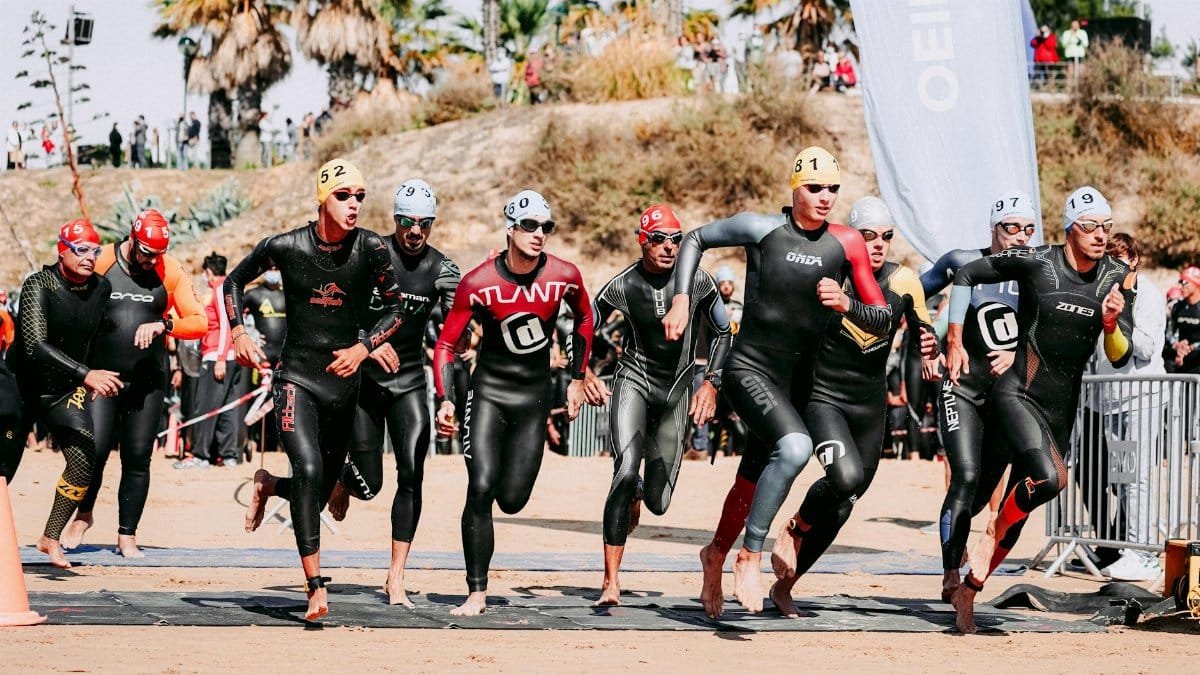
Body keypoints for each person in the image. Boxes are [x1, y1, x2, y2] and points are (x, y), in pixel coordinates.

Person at [661, 147, 894, 617]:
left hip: (803, 384)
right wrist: (682, 299)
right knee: (792, 449)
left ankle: (714, 556)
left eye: (833, 188)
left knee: (753, 478)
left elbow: (883, 320)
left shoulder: (847, 243)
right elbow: (694, 239)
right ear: (795, 187)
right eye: (815, 187)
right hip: (752, 369)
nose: (825, 197)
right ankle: (749, 554)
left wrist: (848, 305)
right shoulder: (761, 228)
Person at [948, 186, 1135, 633]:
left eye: (1106, 227)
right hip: (1017, 394)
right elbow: (966, 275)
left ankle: (969, 592)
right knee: (1052, 479)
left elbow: (1120, 355)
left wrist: (1111, 324)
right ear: (1070, 229)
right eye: (1090, 227)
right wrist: (955, 337)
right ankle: (982, 535)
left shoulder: (1118, 275)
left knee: (1026, 504)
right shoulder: (1038, 261)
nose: (1100, 235)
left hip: (1060, 411)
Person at [233, 158, 402, 621]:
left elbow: (396, 310)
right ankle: (315, 587)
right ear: (322, 198)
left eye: (360, 197)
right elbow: (233, 281)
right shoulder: (286, 247)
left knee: (325, 483)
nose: (353, 205)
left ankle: (268, 485)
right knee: (308, 468)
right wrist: (239, 332)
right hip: (297, 378)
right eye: (343, 196)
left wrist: (365, 347)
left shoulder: (369, 248)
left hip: (344, 385)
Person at [769, 196, 937, 616]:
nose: (878, 245)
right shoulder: (831, 275)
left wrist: (931, 347)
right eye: (868, 237)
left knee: (847, 499)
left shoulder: (905, 282)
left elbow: (922, 329)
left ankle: (787, 585)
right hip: (825, 396)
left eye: (886, 237)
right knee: (843, 478)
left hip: (869, 403)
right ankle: (796, 527)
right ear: (851, 238)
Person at [432, 189, 593, 616]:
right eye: (529, 226)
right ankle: (476, 592)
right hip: (488, 394)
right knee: (480, 487)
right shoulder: (479, 281)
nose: (539, 234)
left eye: (546, 227)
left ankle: (502, 505)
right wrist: (447, 399)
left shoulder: (564, 275)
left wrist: (578, 377)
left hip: (532, 401)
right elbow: (446, 345)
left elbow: (585, 316)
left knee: (513, 500)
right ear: (510, 228)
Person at [584, 204, 732, 607]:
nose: (668, 247)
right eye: (657, 239)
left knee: (658, 502)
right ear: (641, 241)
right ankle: (610, 582)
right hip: (634, 379)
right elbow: (583, 324)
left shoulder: (697, 281)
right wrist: (583, 373)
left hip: (677, 391)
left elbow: (723, 332)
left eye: (675, 239)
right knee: (624, 471)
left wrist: (712, 385)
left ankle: (638, 495)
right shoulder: (622, 285)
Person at [325, 178, 461, 607]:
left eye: (424, 223)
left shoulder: (442, 269)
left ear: (433, 224)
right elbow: (333, 308)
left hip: (410, 383)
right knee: (371, 485)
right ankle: (344, 482)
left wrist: (469, 338)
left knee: (413, 474)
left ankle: (396, 575)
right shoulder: (369, 252)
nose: (415, 231)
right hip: (365, 383)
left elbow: (459, 326)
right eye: (406, 222)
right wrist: (368, 344)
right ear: (394, 219)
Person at [63, 209, 207, 557]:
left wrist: (165, 326)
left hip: (147, 381)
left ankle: (127, 534)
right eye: (145, 252)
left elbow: (199, 321)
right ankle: (83, 514)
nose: (149, 261)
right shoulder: (104, 260)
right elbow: (69, 295)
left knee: (138, 456)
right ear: (132, 238)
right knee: (93, 452)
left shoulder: (167, 269)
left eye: (156, 254)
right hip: (103, 377)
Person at [920, 190, 1036, 602]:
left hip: (1006, 395)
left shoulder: (1038, 271)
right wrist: (927, 343)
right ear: (993, 228)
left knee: (985, 488)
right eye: (1011, 228)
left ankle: (966, 556)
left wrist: (1020, 352)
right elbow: (913, 295)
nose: (1020, 237)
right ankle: (951, 570)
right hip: (962, 386)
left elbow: (1050, 330)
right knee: (965, 476)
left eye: (1028, 229)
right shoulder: (961, 261)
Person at [2, 219, 121, 568]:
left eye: (95, 251)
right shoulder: (39, 284)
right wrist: (88, 374)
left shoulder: (101, 288)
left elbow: (96, 338)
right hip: (20, 386)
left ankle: (50, 537)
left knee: (86, 458)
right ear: (62, 250)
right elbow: (35, 346)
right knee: (3, 469)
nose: (89, 257)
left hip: (63, 390)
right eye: (81, 250)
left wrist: (98, 373)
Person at [1078, 233, 1165, 581]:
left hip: (1142, 398)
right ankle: (1127, 548)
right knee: (1124, 478)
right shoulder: (1101, 294)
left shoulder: (1148, 294)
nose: (1117, 266)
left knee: (1137, 479)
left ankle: (1142, 552)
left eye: (1124, 260)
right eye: (1111, 260)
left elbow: (1146, 347)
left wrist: (1118, 317)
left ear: (1136, 262)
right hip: (1110, 401)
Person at [184, 253, 246, 469]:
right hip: (229, 357)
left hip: (218, 357)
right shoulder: (228, 287)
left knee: (206, 406)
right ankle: (228, 455)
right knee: (227, 407)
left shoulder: (221, 289)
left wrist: (220, 358)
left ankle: (201, 455)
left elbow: (227, 325)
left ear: (209, 272)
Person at [241, 266, 287, 455]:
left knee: (283, 400)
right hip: (262, 357)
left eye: (278, 268)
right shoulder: (253, 294)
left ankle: (280, 443)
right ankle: (251, 440)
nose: (275, 271)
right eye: (271, 268)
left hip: (284, 356)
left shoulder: (289, 294)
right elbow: (233, 316)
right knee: (256, 397)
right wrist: (248, 335)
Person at [1166, 266, 1200, 374]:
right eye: (1179, 282)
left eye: (1184, 282)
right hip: (1180, 360)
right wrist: (1176, 345)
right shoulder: (1177, 307)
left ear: (1196, 284)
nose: (1180, 286)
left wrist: (1191, 347)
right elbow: (1169, 333)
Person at [1062, 19, 1089, 83]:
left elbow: (1086, 44)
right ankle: (1069, 89)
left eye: (1076, 24)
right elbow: (1064, 44)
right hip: (1070, 55)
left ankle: (1080, 88)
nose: (1075, 26)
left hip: (1080, 55)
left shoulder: (1083, 33)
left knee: (1081, 73)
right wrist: (1070, 36)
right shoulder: (1066, 33)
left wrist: (1077, 36)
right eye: (1073, 25)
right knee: (1070, 72)